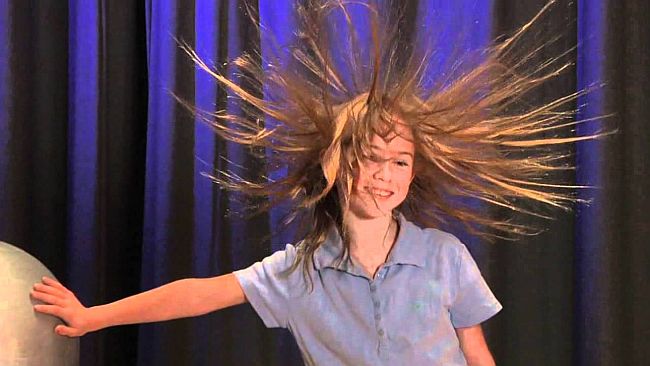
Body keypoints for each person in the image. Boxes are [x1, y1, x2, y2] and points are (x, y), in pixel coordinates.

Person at [31, 1, 603, 364]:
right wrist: (93, 316)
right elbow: (198, 293)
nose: (384, 176)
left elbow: (476, 354)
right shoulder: (297, 273)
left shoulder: (444, 257)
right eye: (368, 157)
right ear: (335, 163)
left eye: (400, 162)